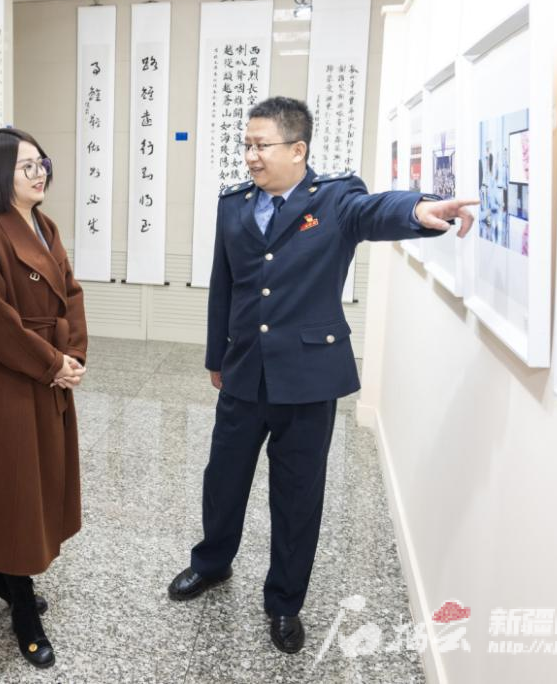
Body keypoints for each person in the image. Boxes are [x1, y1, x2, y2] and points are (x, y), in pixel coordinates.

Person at [166, 97, 477, 654]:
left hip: (308, 378)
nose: (251, 156)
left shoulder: (334, 198)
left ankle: (285, 602)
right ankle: (212, 563)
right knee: (223, 478)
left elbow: (375, 211)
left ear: (298, 149)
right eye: (247, 144)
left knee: (297, 494)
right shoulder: (234, 204)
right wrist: (217, 357)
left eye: (261, 145)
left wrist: (420, 209)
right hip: (245, 371)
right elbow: (224, 286)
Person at [0, 128, 88, 669]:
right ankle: (22, 605)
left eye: (41, 163)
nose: (39, 174)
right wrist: (52, 363)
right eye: (26, 166)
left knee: (40, 478)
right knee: (14, 486)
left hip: (48, 366)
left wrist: (73, 354)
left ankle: (0, 575)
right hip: (7, 372)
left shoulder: (44, 225)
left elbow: (71, 293)